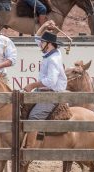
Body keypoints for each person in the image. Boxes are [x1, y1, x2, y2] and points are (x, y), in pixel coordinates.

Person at [23, 20, 67, 149]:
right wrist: (44, 26)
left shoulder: (53, 59)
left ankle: (29, 149)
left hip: (51, 94)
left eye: (42, 42)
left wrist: (32, 85)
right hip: (44, 92)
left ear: (48, 44)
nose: (39, 44)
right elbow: (37, 38)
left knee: (34, 117)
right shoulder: (53, 52)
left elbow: (51, 82)